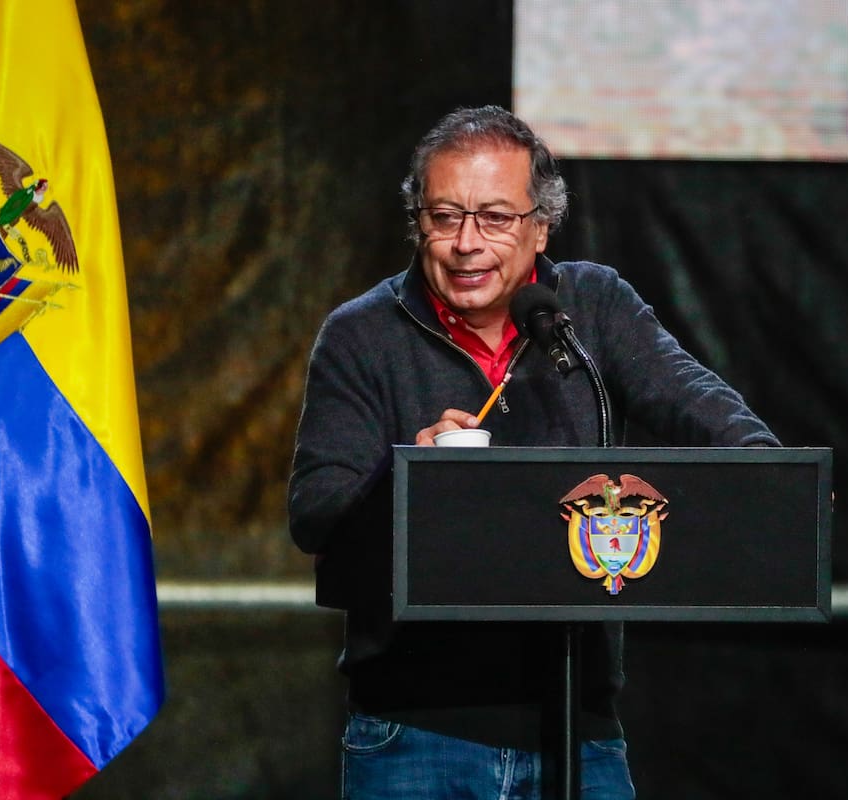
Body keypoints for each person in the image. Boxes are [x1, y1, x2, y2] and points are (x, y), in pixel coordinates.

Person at [288, 105, 779, 799]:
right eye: (444, 216)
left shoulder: (591, 305)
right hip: (416, 732)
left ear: (540, 226)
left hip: (580, 725)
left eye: (494, 217)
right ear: (418, 222)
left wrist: (773, 472)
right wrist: (409, 475)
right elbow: (316, 512)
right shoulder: (360, 335)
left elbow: (690, 398)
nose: (466, 242)